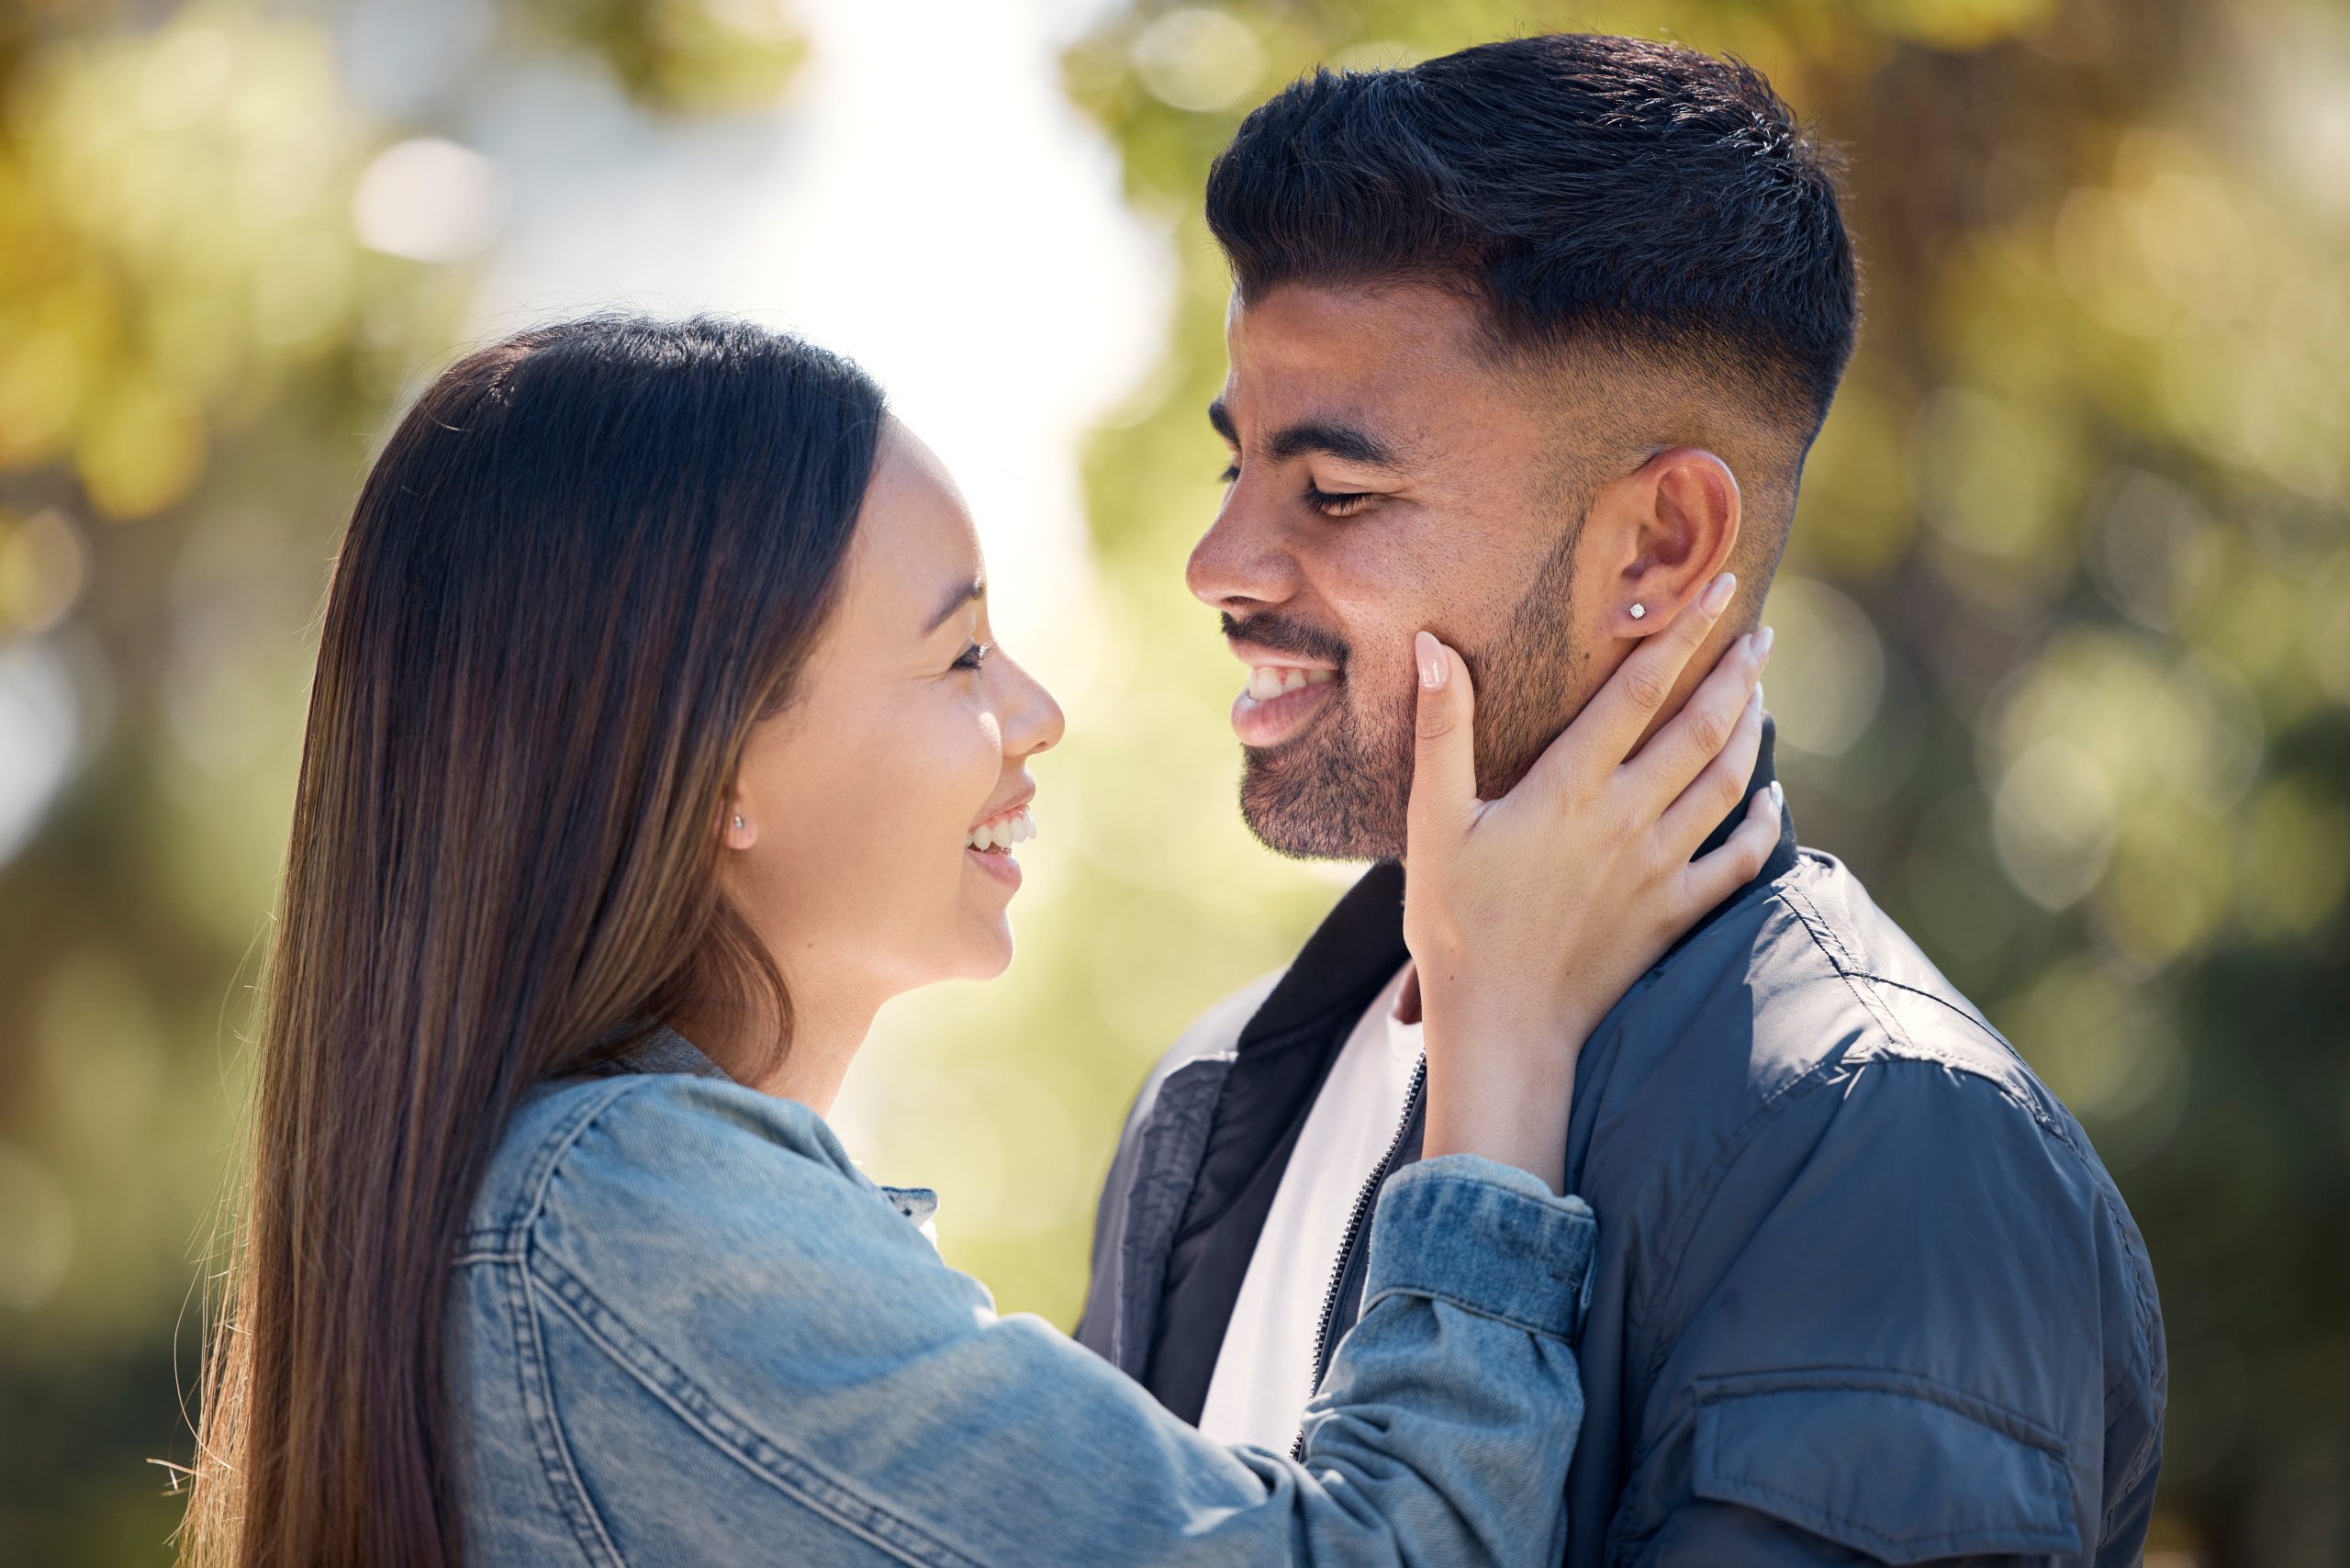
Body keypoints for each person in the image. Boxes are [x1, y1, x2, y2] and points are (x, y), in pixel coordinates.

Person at [176, 315, 1780, 1568]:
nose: (1037, 715)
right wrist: (1502, 1042)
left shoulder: (578, 1216)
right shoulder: (620, 1221)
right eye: (957, 659)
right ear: (714, 757)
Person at [1077, 34, 2166, 1568]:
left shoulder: (1880, 1146)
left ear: (1661, 545)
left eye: (1333, 494)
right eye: (1237, 469)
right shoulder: (1213, 1094)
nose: (1220, 566)